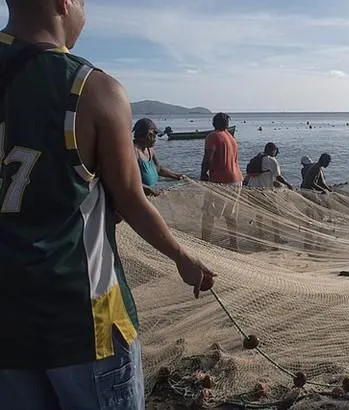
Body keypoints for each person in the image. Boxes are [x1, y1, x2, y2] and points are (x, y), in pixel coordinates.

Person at [0, 2, 215, 409]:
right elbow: (131, 201)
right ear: (65, 4)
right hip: (84, 321)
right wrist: (181, 256)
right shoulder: (91, 88)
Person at [200, 112, 243, 251]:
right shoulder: (231, 138)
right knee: (230, 214)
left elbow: (208, 158)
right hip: (237, 180)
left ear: (214, 123)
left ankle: (204, 242)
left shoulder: (213, 136)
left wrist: (203, 175)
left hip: (221, 180)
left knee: (208, 213)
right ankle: (234, 244)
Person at [247, 142, 292, 243]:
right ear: (273, 150)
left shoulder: (258, 157)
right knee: (275, 213)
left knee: (259, 213)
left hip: (253, 190)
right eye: (276, 151)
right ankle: (277, 237)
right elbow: (278, 176)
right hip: (265, 192)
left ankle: (260, 233)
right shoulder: (272, 160)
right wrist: (288, 184)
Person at [133, 117, 185, 197]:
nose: (155, 139)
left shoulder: (150, 150)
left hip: (149, 197)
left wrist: (177, 176)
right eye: (155, 135)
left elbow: (159, 169)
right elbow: (130, 181)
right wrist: (150, 190)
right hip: (138, 198)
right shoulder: (133, 152)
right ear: (148, 134)